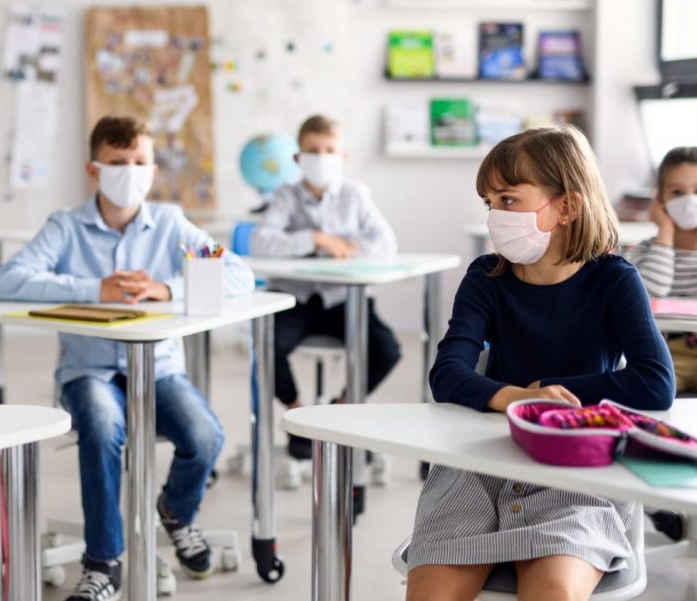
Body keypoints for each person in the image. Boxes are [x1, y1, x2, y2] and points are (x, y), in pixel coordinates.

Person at [0, 116, 255, 601]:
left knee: (205, 435)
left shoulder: (171, 224)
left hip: (160, 370)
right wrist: (95, 289)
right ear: (94, 170)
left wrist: (166, 288)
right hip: (88, 370)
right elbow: (7, 280)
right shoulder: (66, 227)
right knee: (101, 424)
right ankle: (103, 561)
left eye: (139, 163)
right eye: (117, 163)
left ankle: (175, 511)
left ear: (153, 171)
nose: (129, 171)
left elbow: (238, 273)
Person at [407, 125, 674, 601]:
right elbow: (447, 374)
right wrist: (519, 397)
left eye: (508, 200)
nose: (495, 217)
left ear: (566, 206)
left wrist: (548, 388)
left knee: (552, 593)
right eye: (490, 203)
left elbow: (655, 383)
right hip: (480, 464)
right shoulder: (486, 277)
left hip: (575, 473)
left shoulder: (615, 280)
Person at [250, 114, 401, 460]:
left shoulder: (356, 194)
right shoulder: (286, 196)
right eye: (312, 150)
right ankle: (299, 413)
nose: (321, 157)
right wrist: (317, 239)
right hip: (294, 300)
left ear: (343, 156)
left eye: (329, 150)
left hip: (342, 301)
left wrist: (347, 248)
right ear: (297, 158)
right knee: (266, 348)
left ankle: (336, 411)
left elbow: (385, 244)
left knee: (386, 349)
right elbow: (262, 242)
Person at [627, 147, 697, 392]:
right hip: (668, 353)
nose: (689, 200)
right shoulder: (645, 251)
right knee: (651, 391)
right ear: (661, 200)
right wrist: (665, 234)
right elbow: (649, 293)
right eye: (677, 192)